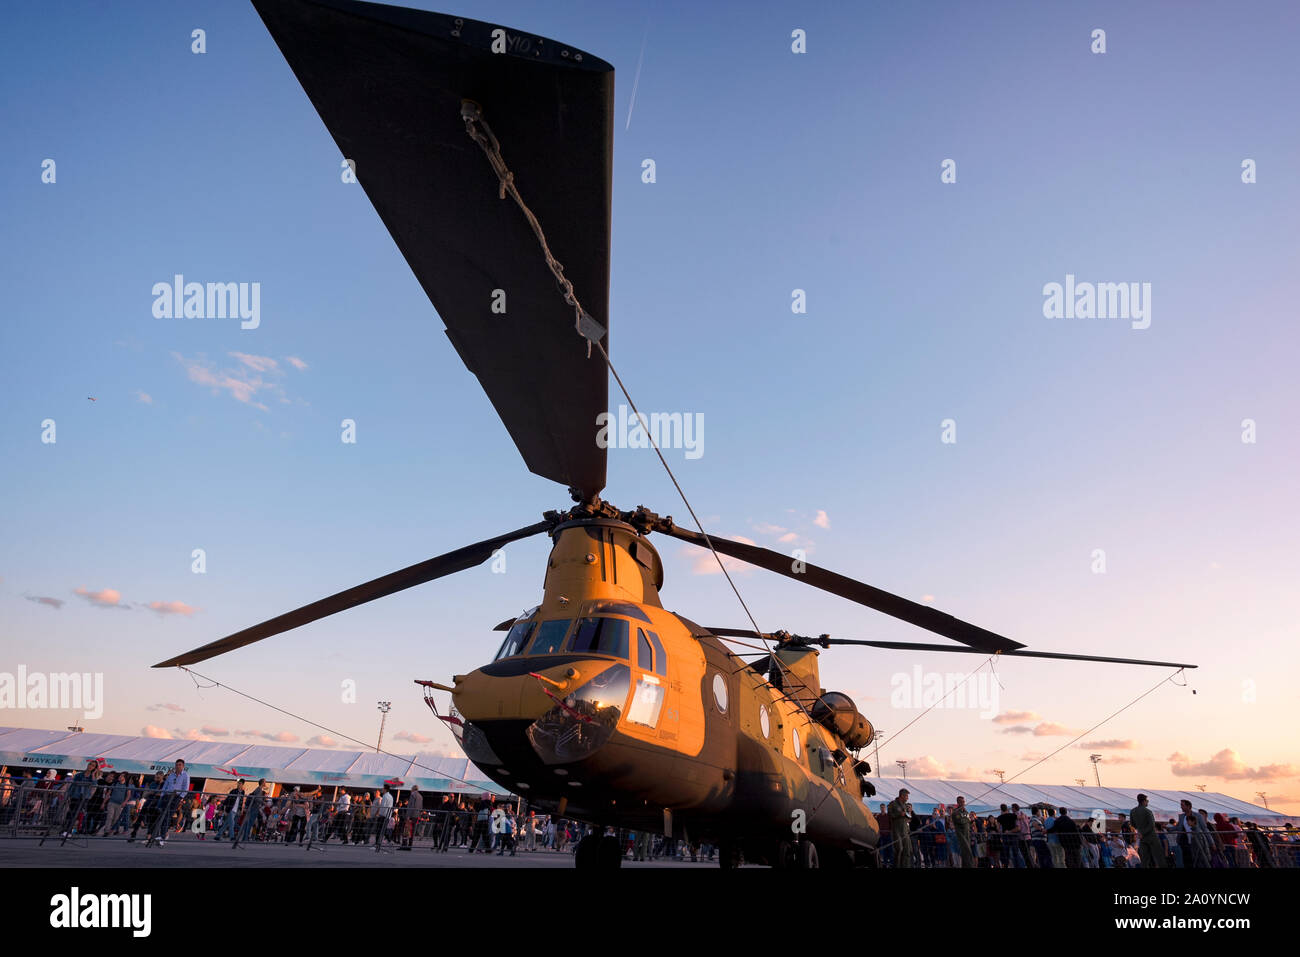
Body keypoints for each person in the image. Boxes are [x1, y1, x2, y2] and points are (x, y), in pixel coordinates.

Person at [1129, 794, 1164, 868]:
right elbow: (1152, 825)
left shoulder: (1133, 811)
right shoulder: (1148, 811)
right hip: (1151, 837)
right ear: (1144, 801)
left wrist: (1140, 831)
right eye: (1147, 801)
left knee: (1144, 859)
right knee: (1159, 857)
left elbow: (1132, 823)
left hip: (1142, 838)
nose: (1147, 802)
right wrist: (1143, 832)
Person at [234, 779, 267, 847]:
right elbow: (256, 798)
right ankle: (245, 838)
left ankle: (244, 837)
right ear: (262, 783)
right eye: (265, 782)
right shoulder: (259, 789)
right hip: (254, 808)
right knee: (249, 824)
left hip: (253, 808)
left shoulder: (258, 789)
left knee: (248, 823)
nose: (265, 783)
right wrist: (263, 802)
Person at [887, 790, 911, 869]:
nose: (907, 798)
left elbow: (908, 817)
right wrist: (899, 814)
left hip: (905, 831)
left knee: (907, 851)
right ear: (902, 796)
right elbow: (889, 815)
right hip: (896, 831)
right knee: (899, 850)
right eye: (906, 796)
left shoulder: (905, 805)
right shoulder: (893, 804)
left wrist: (908, 815)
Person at [950, 796, 975, 868]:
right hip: (961, 836)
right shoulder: (955, 812)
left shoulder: (965, 812)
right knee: (967, 852)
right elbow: (961, 821)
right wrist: (969, 819)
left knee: (966, 853)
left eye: (963, 802)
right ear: (958, 803)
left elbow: (967, 823)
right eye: (961, 802)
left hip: (967, 834)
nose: (963, 803)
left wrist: (972, 820)